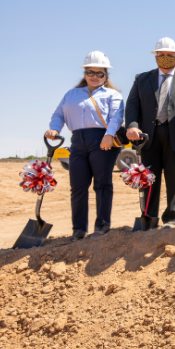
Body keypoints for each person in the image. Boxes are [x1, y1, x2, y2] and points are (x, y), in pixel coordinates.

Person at [124, 37, 175, 228]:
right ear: (155, 57)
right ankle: (149, 217)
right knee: (149, 178)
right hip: (147, 137)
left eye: (170, 55)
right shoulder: (141, 79)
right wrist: (132, 125)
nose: (166, 58)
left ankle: (171, 218)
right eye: (162, 55)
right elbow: (132, 105)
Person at [45, 51, 123, 240]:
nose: (95, 77)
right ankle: (78, 229)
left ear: (106, 76)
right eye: (90, 72)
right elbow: (58, 114)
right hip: (77, 141)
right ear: (85, 74)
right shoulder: (71, 94)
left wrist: (109, 135)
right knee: (78, 186)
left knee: (102, 184)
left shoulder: (113, 95)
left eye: (100, 73)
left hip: (103, 140)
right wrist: (54, 129)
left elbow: (117, 116)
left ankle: (102, 226)